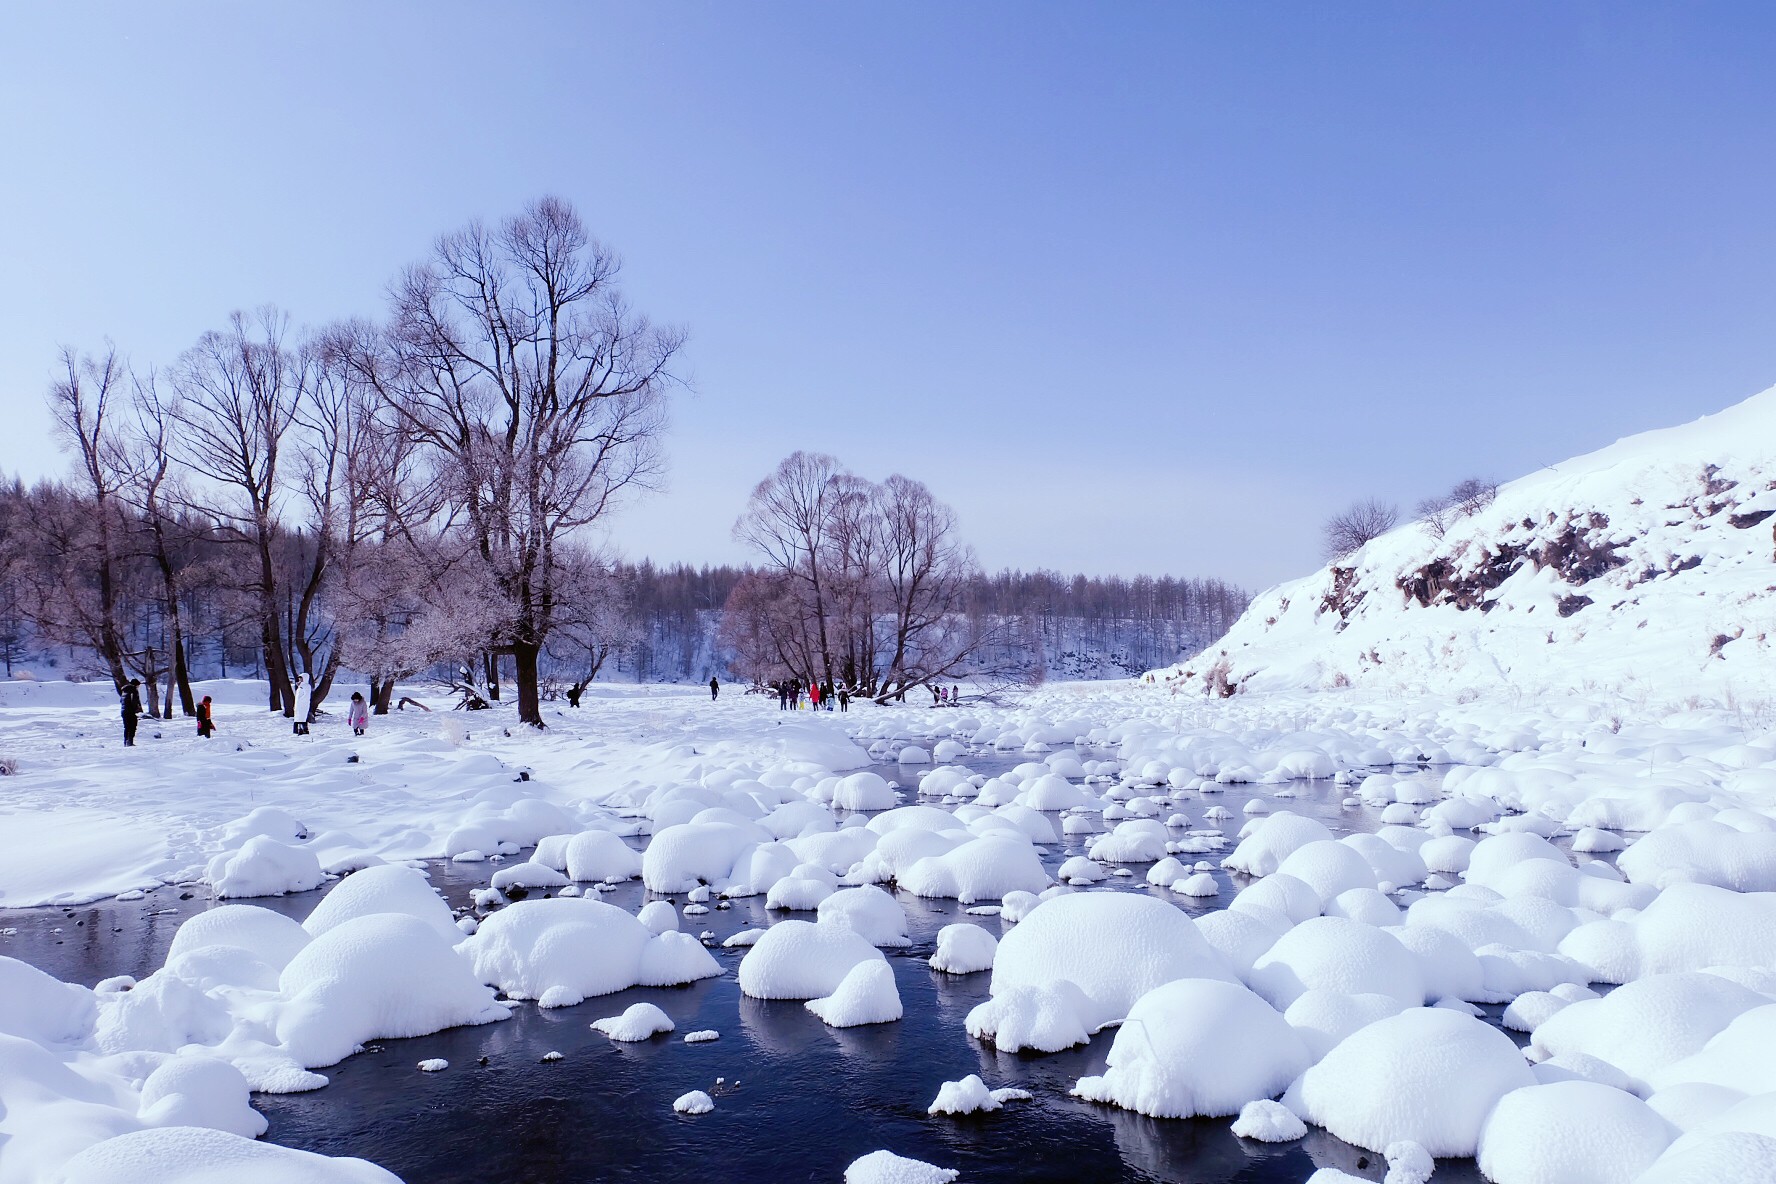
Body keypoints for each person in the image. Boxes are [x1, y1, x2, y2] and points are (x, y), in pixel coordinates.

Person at [120, 679, 143, 747]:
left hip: (124, 711)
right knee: (132, 727)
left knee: (127, 727)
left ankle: (126, 742)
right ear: (136, 685)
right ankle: (130, 742)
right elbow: (134, 701)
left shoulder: (124, 690)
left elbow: (121, 701)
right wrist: (136, 709)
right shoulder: (133, 690)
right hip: (130, 711)